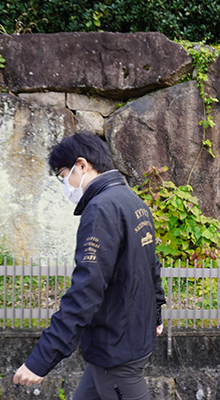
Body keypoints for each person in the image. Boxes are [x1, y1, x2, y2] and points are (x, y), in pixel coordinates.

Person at [13, 132, 166, 400]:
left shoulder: (101, 209)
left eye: (63, 176)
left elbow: (86, 290)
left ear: (82, 165)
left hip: (117, 346)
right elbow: (151, 265)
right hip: (127, 337)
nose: (65, 185)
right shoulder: (132, 201)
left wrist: (41, 359)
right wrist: (156, 313)